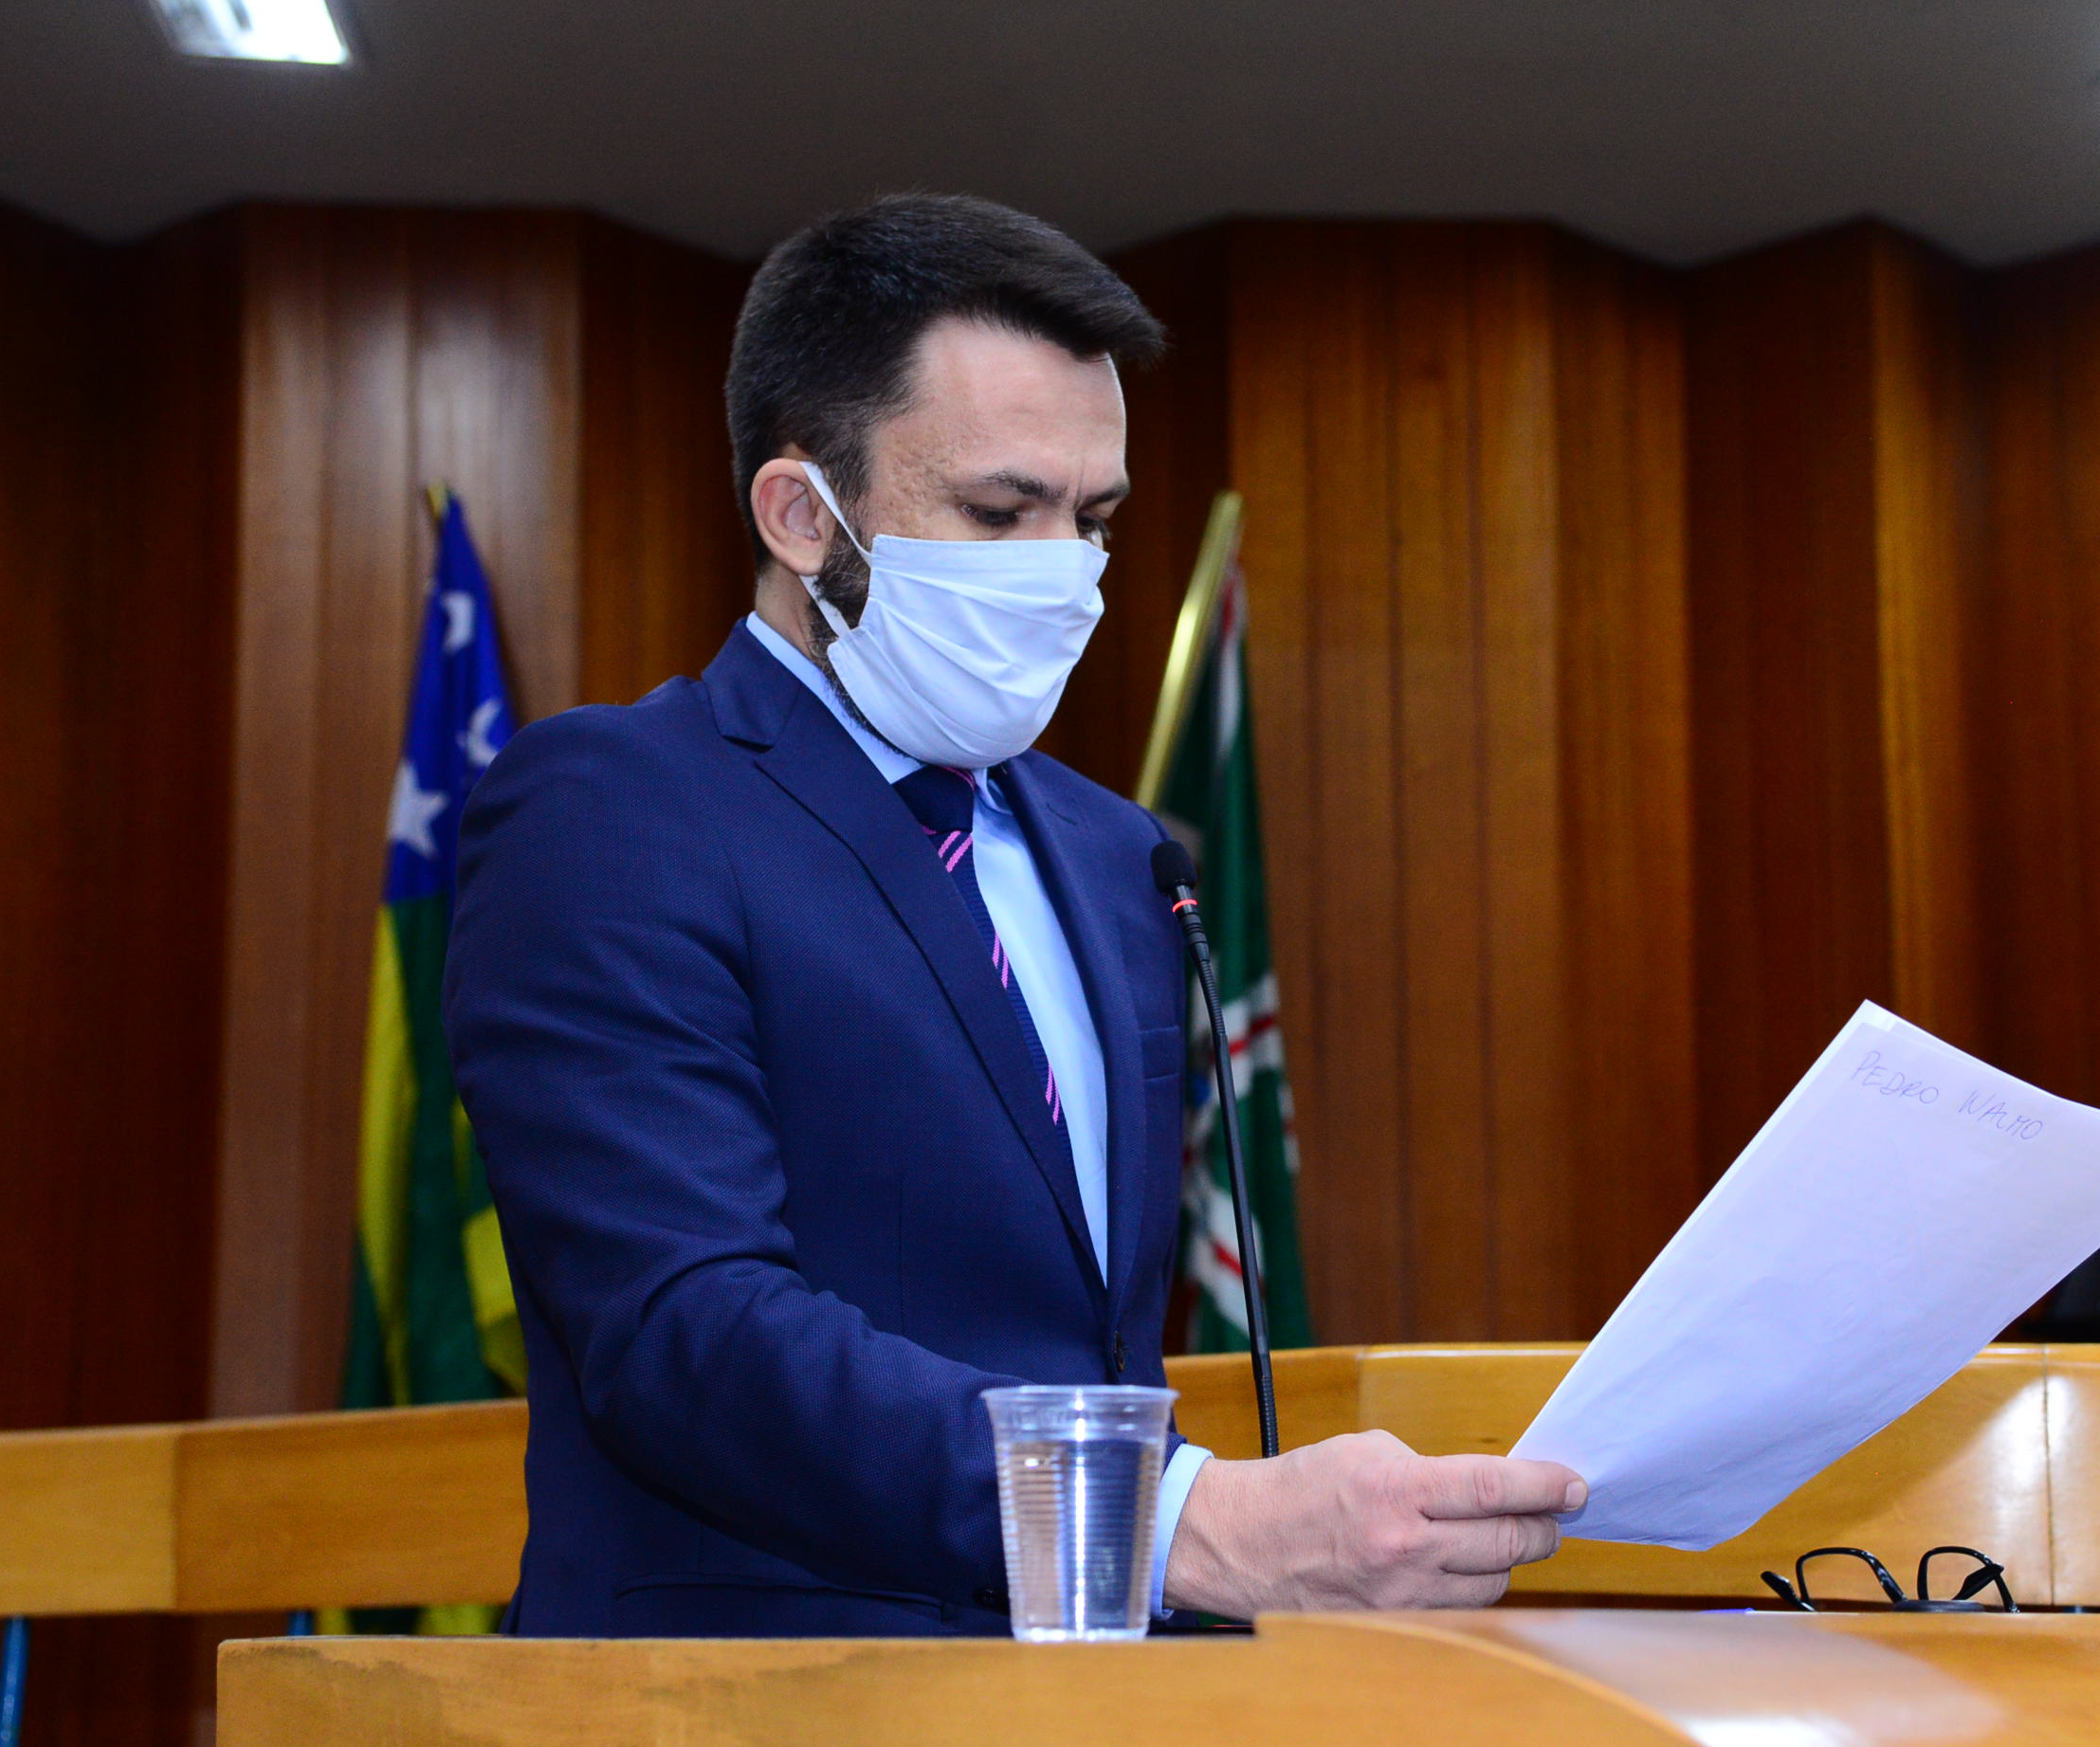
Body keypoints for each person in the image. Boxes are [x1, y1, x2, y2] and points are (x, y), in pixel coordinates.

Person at [445, 193, 1581, 1638]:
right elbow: (681, 1328)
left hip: (1089, 1705)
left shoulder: (1116, 852)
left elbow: (1093, 1339)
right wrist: (1170, 1519)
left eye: (1092, 518)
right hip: (749, 1705)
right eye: (1000, 512)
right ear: (801, 514)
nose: (1063, 570)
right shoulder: (617, 807)